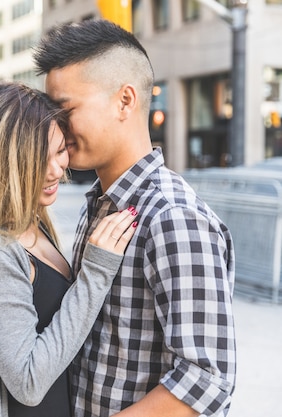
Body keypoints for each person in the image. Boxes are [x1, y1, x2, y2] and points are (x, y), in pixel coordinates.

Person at [33, 19, 236, 417]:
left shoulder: (173, 217)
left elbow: (207, 379)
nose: (54, 126)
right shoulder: (101, 202)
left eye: (65, 109)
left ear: (125, 101)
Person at [0, 81, 138, 417]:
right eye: (38, 159)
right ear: (4, 164)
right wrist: (95, 273)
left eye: (59, 151)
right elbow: (28, 383)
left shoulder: (33, 225)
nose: (57, 170)